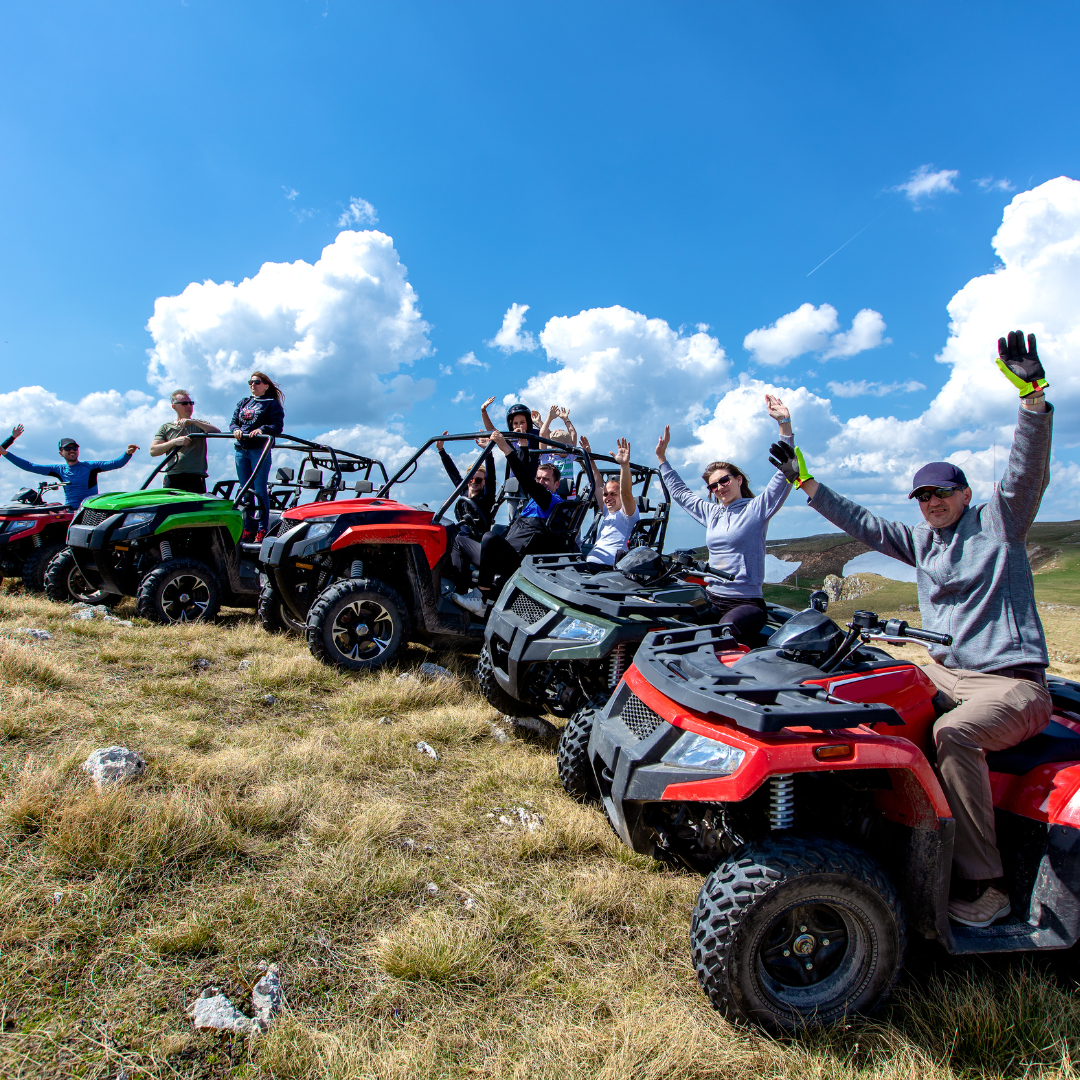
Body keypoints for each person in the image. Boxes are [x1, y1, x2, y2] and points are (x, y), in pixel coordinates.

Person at [767, 330, 1053, 929]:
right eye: (922, 495)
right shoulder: (923, 540)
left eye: (941, 492)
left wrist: (1031, 397)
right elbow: (864, 523)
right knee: (867, 694)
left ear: (965, 492)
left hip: (1010, 684)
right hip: (948, 670)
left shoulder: (999, 522)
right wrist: (804, 481)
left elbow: (1027, 475)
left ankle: (988, 886)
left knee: (954, 735)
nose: (930, 503)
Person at [655, 394, 795, 643]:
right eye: (713, 486)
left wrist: (784, 425)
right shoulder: (712, 513)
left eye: (724, 480)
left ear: (738, 479)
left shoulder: (755, 509)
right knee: (671, 629)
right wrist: (662, 460)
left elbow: (784, 475)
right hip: (712, 597)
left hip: (746, 603)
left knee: (720, 637)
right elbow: (681, 494)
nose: (719, 488)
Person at [452, 432, 566, 617]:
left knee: (489, 536)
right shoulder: (533, 500)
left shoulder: (551, 500)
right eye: (539, 478)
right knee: (459, 541)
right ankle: (463, 595)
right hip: (503, 553)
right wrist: (522, 446)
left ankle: (480, 598)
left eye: (546, 479)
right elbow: (527, 474)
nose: (541, 482)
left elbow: (526, 480)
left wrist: (506, 449)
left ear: (556, 484)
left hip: (515, 560)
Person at [0, 433, 139, 509]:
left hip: (89, 509)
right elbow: (30, 466)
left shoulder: (90, 466)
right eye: (68, 449)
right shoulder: (58, 469)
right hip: (70, 509)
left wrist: (127, 453)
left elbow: (116, 463)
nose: (72, 451)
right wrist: (6, 454)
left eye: (75, 448)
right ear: (61, 453)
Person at [435, 431, 496, 590]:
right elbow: (453, 473)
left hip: (477, 545)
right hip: (461, 539)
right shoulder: (463, 493)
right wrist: (442, 451)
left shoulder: (486, 498)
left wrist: (488, 453)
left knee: (457, 542)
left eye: (478, 480)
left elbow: (491, 479)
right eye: (471, 479)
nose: (474, 482)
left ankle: (461, 590)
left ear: (483, 482)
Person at [231, 372, 285, 542]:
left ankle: (262, 530)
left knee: (260, 490)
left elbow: (277, 426)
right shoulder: (243, 402)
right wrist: (235, 430)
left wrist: (263, 430)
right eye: (250, 382)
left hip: (259, 450)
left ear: (266, 385)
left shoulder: (272, 405)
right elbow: (233, 421)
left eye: (257, 382)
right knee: (245, 490)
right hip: (241, 449)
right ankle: (248, 528)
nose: (253, 385)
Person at [580, 434, 639, 568]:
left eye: (613, 494)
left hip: (608, 568)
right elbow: (597, 484)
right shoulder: (607, 511)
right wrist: (590, 459)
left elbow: (627, 493)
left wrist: (624, 465)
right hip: (591, 564)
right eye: (606, 494)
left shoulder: (627, 515)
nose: (608, 497)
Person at [150, 390, 222, 493]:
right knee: (171, 508)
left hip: (195, 477)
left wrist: (194, 422)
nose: (189, 406)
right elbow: (153, 451)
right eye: (184, 403)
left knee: (195, 508)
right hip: (173, 476)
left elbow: (217, 432)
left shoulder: (199, 424)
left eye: (191, 403)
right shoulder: (166, 427)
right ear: (174, 406)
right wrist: (174, 442)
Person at [481, 396, 537, 481]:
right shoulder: (510, 438)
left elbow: (548, 435)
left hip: (531, 479)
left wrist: (539, 422)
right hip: (513, 480)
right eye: (515, 423)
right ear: (511, 425)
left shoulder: (534, 435)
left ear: (528, 423)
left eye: (522, 422)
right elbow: (493, 431)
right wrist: (483, 411)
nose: (519, 426)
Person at [538, 404, 580, 486]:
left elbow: (573, 433)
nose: (567, 449)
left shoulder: (570, 455)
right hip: (551, 494)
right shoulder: (547, 457)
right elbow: (542, 434)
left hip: (569, 497)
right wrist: (549, 418)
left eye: (568, 446)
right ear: (553, 446)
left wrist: (566, 419)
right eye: (564, 446)